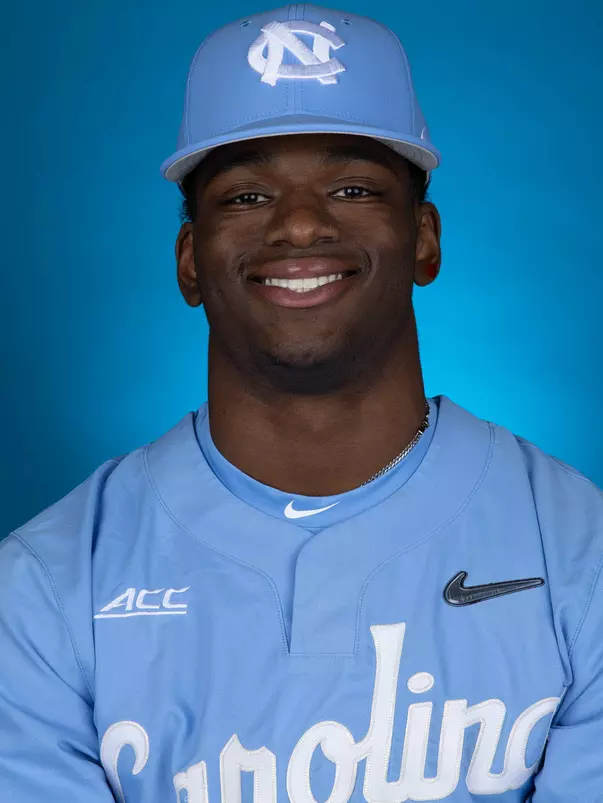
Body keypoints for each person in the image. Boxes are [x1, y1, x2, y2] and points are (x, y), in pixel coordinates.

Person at [0, 4, 601, 801]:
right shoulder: (42, 587)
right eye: (246, 197)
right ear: (188, 259)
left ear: (424, 238)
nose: (300, 223)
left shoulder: (580, 555)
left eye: (352, 187)